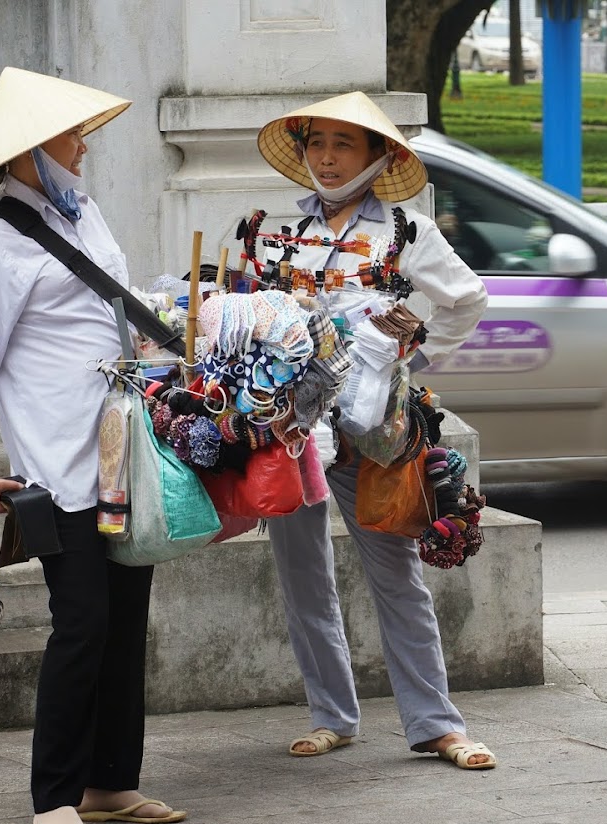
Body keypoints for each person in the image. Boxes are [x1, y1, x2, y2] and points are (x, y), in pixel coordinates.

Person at [0, 67, 185, 824]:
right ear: (27, 153)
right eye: (67, 136)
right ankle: (53, 799)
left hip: (120, 454)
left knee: (125, 619)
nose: (83, 147)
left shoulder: (87, 216)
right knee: (81, 622)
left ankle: (110, 782)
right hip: (55, 462)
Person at [254, 92, 495, 769]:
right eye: (316, 143)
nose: (326, 158)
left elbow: (468, 299)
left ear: (379, 156)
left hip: (375, 434)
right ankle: (332, 714)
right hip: (294, 430)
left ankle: (436, 723)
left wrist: (410, 354)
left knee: (395, 573)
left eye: (344, 144)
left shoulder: (405, 231)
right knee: (302, 574)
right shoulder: (280, 234)